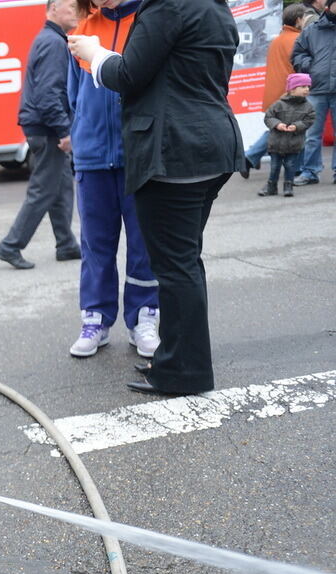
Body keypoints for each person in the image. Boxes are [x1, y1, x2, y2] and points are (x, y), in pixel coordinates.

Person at [69, 0, 244, 396]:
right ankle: (179, 360)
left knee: (176, 268)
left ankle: (185, 370)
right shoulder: (213, 7)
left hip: (174, 152)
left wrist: (94, 54)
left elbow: (130, 73)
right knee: (184, 263)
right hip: (211, 145)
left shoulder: (169, 6)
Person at [67, 0, 159, 359]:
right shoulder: (80, 31)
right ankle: (96, 318)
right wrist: (82, 133)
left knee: (144, 243)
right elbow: (74, 95)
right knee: (96, 245)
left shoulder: (149, 20)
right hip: (91, 156)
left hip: (138, 152)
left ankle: (144, 318)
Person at [0, 0, 81, 270]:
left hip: (44, 127)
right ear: (53, 8)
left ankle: (66, 244)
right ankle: (10, 245)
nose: (76, 10)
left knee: (62, 185)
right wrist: (65, 130)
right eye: (70, 5)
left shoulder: (52, 39)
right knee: (43, 190)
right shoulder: (54, 43)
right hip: (48, 130)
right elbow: (48, 95)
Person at [243, 4, 308, 178]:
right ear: (298, 20)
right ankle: (251, 157)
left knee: (280, 129)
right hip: (289, 93)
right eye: (304, 18)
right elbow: (300, 69)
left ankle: (251, 157)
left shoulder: (278, 40)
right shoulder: (299, 39)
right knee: (293, 129)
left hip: (274, 91)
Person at [291, 0, 336, 186]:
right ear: (330, 5)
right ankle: (310, 171)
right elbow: (297, 54)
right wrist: (310, 66)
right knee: (311, 134)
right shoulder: (312, 30)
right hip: (316, 89)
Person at [258, 73, 316, 197]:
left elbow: (309, 120)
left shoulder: (308, 107)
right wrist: (277, 124)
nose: (307, 89)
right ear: (292, 89)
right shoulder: (278, 104)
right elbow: (268, 117)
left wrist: (297, 126)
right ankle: (271, 186)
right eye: (303, 86)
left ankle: (288, 186)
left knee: (290, 167)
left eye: (308, 86)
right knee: (274, 167)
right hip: (276, 144)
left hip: (294, 144)